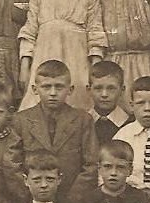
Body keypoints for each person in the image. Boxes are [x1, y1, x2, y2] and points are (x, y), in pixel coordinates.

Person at [18, 0, 107, 111]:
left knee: (76, 102)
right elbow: (28, 34)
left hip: (77, 60)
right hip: (44, 57)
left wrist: (95, 70)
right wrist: (25, 67)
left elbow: (96, 36)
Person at [13, 60, 99, 196]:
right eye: (46, 87)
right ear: (35, 89)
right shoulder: (20, 120)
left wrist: (74, 196)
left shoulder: (83, 120)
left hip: (72, 196)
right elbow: (13, 163)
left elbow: (92, 164)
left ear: (70, 89)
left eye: (59, 87)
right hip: (32, 197)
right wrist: (28, 193)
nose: (53, 93)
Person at [87, 60, 132, 144]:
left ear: (122, 90)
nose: (104, 94)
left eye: (111, 88)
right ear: (89, 90)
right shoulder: (82, 123)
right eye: (98, 88)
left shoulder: (130, 123)